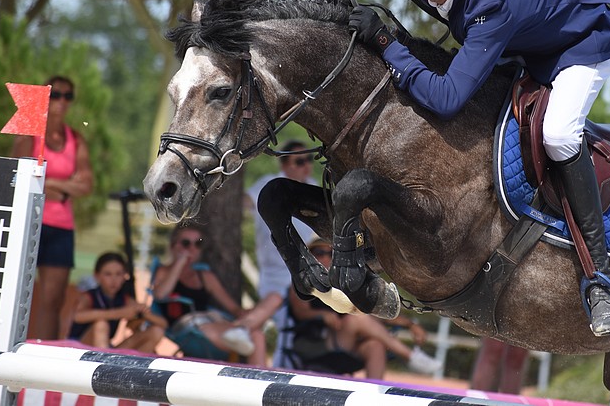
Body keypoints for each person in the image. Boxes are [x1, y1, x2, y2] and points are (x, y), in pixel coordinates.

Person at [322, 0, 610, 336]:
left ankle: (600, 280)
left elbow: (447, 97)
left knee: (558, 135)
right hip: (527, 41)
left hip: (582, 42)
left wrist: (388, 44)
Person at [276, 238, 440, 379]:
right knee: (355, 317)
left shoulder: (342, 283)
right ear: (310, 257)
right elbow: (300, 311)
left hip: (344, 340)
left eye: (332, 253)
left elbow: (372, 316)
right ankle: (410, 356)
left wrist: (410, 324)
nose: (326, 257)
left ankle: (373, 400)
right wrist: (322, 314)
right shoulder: (303, 282)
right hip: (314, 341)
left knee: (375, 344)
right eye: (319, 252)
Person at [11, 75, 94, 340]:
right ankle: (5, 348)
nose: (61, 101)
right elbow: (18, 173)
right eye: (55, 94)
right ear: (44, 96)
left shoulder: (75, 139)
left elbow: (86, 185)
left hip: (61, 225)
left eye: (67, 95)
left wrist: (47, 181)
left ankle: (39, 358)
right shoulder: (30, 132)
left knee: (52, 300)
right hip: (27, 219)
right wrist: (64, 184)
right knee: (14, 291)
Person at [151, 224, 277, 365]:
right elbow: (160, 295)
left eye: (198, 244)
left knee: (271, 307)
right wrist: (180, 263)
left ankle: (243, 329)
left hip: (214, 325)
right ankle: (241, 331)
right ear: (174, 245)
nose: (192, 249)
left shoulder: (205, 276)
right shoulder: (164, 271)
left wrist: (255, 314)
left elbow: (234, 309)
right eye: (186, 243)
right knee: (253, 335)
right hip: (190, 331)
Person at [245, 140, 318, 305]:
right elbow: (245, 202)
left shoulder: (313, 186)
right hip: (274, 276)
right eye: (299, 161)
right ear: (284, 165)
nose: (306, 165)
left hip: (308, 269)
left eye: (309, 159)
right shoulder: (270, 184)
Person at [67, 252, 166, 353]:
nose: (113, 280)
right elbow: (77, 316)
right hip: (79, 349)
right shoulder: (89, 296)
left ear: (124, 276)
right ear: (97, 276)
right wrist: (119, 313)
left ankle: (130, 366)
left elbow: (163, 324)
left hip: (106, 349)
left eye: (118, 274)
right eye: (108, 274)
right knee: (101, 324)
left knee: (156, 332)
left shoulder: (124, 299)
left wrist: (143, 313)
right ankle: (104, 363)